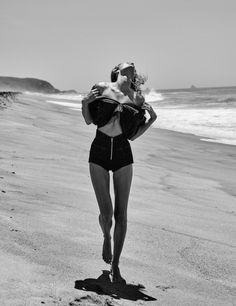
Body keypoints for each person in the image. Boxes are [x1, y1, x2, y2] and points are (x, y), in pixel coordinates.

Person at [81, 62, 157, 284]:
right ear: (117, 69)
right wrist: (85, 102)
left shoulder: (138, 98)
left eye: (134, 65)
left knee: (121, 214)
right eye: (127, 62)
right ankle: (106, 236)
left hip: (124, 153)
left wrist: (152, 120)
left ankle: (116, 265)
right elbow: (88, 119)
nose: (132, 64)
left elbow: (133, 135)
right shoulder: (102, 87)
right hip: (99, 151)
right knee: (106, 214)